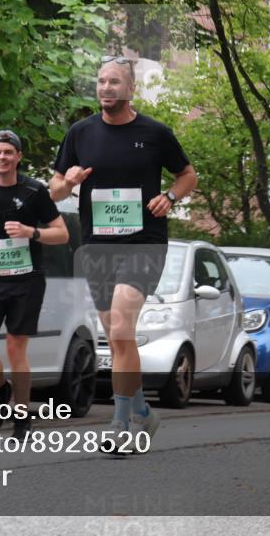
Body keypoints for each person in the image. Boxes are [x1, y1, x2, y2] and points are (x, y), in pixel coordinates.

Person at [50, 56, 197, 453]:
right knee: (117, 339)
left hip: (143, 242)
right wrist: (70, 181)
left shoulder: (154, 133)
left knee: (119, 329)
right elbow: (55, 190)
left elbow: (188, 175)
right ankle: (144, 412)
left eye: (114, 82)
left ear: (131, 89)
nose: (106, 88)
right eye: (100, 81)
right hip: (97, 245)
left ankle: (121, 424)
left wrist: (169, 197)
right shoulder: (80, 133)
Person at [0, 130, 69, 438]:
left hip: (26, 281)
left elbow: (62, 233)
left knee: (15, 349)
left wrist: (30, 231)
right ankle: (0, 390)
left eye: (8, 152)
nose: (2, 158)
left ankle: (21, 415)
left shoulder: (35, 191)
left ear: (18, 157)